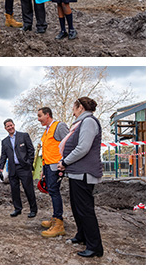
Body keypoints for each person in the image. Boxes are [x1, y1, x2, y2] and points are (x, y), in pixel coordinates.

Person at [57, 97, 104, 258]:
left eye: (74, 107)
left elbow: (83, 147)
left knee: (85, 209)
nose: (72, 110)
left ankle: (95, 247)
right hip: (76, 173)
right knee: (77, 208)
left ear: (81, 107)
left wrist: (65, 161)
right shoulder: (81, 122)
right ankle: (82, 235)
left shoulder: (89, 122)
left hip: (84, 173)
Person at [37, 107, 69, 237]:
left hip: (56, 166)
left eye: (40, 116)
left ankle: (59, 223)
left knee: (54, 192)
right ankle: (55, 218)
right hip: (48, 166)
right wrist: (43, 169)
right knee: (51, 191)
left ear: (47, 115)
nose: (38, 119)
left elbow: (69, 143)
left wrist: (64, 162)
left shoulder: (59, 126)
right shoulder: (47, 130)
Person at [0, 118, 37, 218]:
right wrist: (0, 168)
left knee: (28, 189)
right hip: (12, 168)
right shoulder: (5, 141)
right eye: (8, 126)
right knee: (14, 190)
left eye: (11, 125)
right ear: (5, 128)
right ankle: (17, 209)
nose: (10, 127)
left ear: (14, 125)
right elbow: (3, 156)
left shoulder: (23, 136)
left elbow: (31, 150)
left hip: (24, 167)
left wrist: (29, 163)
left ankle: (33, 209)